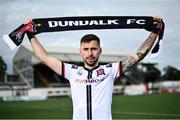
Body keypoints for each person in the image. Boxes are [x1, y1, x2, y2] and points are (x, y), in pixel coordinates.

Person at [25, 16, 162, 120]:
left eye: (94, 49)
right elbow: (44, 57)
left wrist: (154, 32)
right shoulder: (72, 71)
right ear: (80, 51)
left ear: (100, 50)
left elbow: (139, 55)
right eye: (86, 49)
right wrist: (30, 33)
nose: (90, 53)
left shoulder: (110, 70)